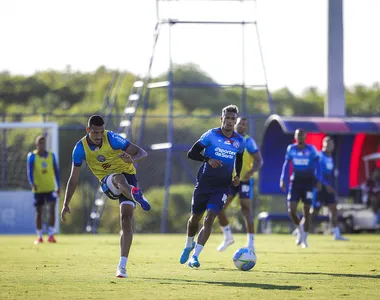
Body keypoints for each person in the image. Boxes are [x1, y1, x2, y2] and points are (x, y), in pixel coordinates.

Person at [60, 115, 151, 279]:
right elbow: (73, 178)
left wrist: (132, 159)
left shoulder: (112, 138)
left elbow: (142, 153)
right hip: (107, 182)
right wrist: (66, 203)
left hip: (129, 176)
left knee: (126, 219)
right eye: (95, 132)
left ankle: (122, 266)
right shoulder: (80, 148)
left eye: (101, 132)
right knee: (117, 178)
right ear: (88, 130)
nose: (99, 136)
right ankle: (136, 194)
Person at [179, 104, 245, 268]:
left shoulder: (239, 141)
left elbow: (240, 159)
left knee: (209, 219)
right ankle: (189, 244)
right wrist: (207, 159)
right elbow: (192, 153)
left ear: (235, 121)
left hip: (222, 186)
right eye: (227, 118)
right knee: (195, 219)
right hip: (204, 183)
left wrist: (237, 175)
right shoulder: (211, 135)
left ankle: (195, 257)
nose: (230, 122)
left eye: (233, 119)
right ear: (221, 119)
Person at [216, 117, 263, 252]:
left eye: (244, 124)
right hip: (229, 181)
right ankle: (228, 237)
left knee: (246, 211)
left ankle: (251, 243)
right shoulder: (227, 139)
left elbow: (259, 161)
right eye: (240, 123)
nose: (241, 125)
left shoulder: (248, 141)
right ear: (235, 123)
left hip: (244, 182)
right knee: (219, 208)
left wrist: (251, 171)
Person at [279, 128, 320, 248]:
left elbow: (318, 165)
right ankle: (299, 230)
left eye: (302, 135)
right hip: (295, 182)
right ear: (295, 137)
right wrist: (283, 178)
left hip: (308, 182)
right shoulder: (291, 149)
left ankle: (305, 239)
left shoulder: (311, 149)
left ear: (305, 137)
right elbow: (286, 164)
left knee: (307, 210)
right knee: (291, 210)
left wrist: (318, 179)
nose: (300, 138)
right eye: (298, 135)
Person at [310, 136, 348, 240]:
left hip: (329, 189)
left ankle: (336, 234)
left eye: (332, 144)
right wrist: (326, 185)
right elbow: (318, 173)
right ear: (323, 144)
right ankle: (301, 227)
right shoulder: (320, 156)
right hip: (320, 188)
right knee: (314, 212)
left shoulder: (331, 158)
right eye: (328, 144)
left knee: (334, 209)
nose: (330, 146)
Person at [27, 135, 60, 245]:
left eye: (43, 143)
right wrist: (32, 183)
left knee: (52, 210)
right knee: (39, 213)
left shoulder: (52, 156)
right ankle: (40, 236)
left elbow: (56, 171)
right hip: (38, 189)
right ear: (36, 144)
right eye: (40, 143)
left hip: (50, 188)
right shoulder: (32, 156)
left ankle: (51, 235)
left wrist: (58, 186)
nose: (42, 145)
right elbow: (30, 172)